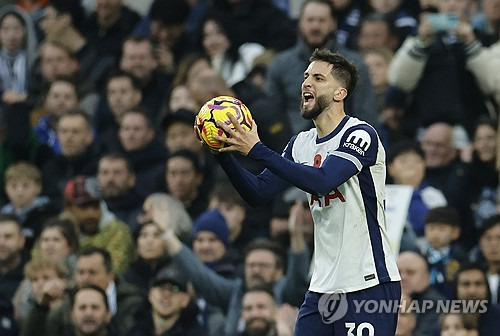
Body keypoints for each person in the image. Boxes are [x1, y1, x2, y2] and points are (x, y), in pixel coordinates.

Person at [206, 47, 400, 334]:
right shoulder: (301, 144)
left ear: (340, 94)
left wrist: (258, 149)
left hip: (368, 282)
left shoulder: (360, 134)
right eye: (306, 76)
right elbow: (258, 192)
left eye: (319, 78)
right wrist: (223, 153)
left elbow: (323, 180)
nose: (306, 83)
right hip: (321, 287)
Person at [266, 0, 377, 134]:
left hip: (341, 145)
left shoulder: (353, 64)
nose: (315, 26)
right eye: (310, 20)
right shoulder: (280, 65)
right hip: (291, 145)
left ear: (333, 24)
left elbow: (365, 115)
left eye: (321, 20)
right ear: (300, 23)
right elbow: (272, 115)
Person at [62, 175, 134, 274]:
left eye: (95, 206)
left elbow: (112, 271)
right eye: (83, 207)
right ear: (69, 208)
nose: (91, 213)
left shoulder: (117, 230)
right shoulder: (57, 230)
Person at [125, 266, 206, 336]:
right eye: (161, 287)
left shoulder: (196, 333)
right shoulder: (134, 330)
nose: (166, 294)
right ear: (150, 294)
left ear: (185, 300)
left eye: (175, 289)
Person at [1, 161, 58, 251]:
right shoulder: (3, 214)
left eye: (26, 186)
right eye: (13, 186)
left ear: (38, 188)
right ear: (5, 188)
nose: (19, 191)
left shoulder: (48, 213)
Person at [419, 206, 467, 298]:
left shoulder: (459, 258)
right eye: (431, 228)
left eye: (442, 228)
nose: (435, 233)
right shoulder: (420, 256)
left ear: (455, 232)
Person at [397, 251, 446, 336]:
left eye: (410, 272)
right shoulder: (384, 299)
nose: (403, 277)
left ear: (426, 277)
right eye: (398, 272)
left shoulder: (436, 304)